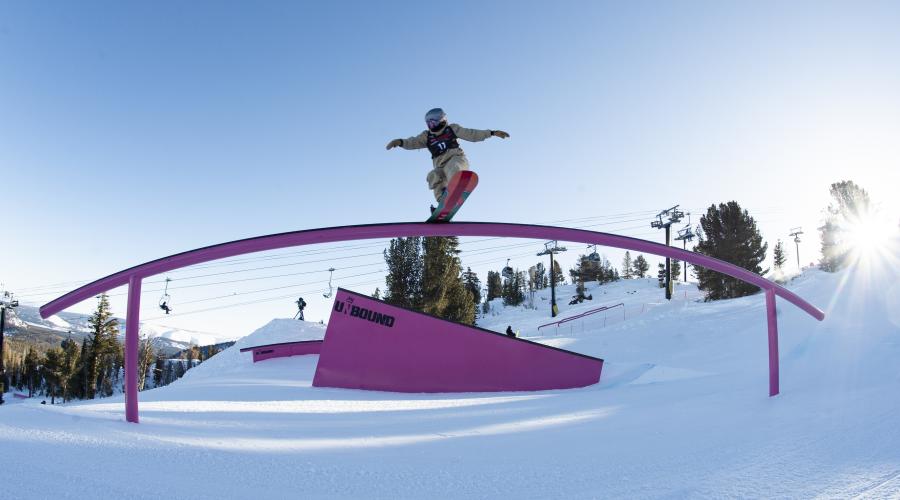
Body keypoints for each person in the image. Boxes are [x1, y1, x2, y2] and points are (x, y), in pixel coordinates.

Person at [386, 108, 509, 204]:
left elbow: (472, 134)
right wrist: (400, 142)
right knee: (433, 175)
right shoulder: (426, 136)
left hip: (457, 159)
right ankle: (443, 200)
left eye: (433, 123)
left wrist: (491, 133)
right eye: (428, 124)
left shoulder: (452, 129)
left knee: (453, 167)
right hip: (440, 167)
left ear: (442, 120)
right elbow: (413, 142)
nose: (431, 127)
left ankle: (456, 186)